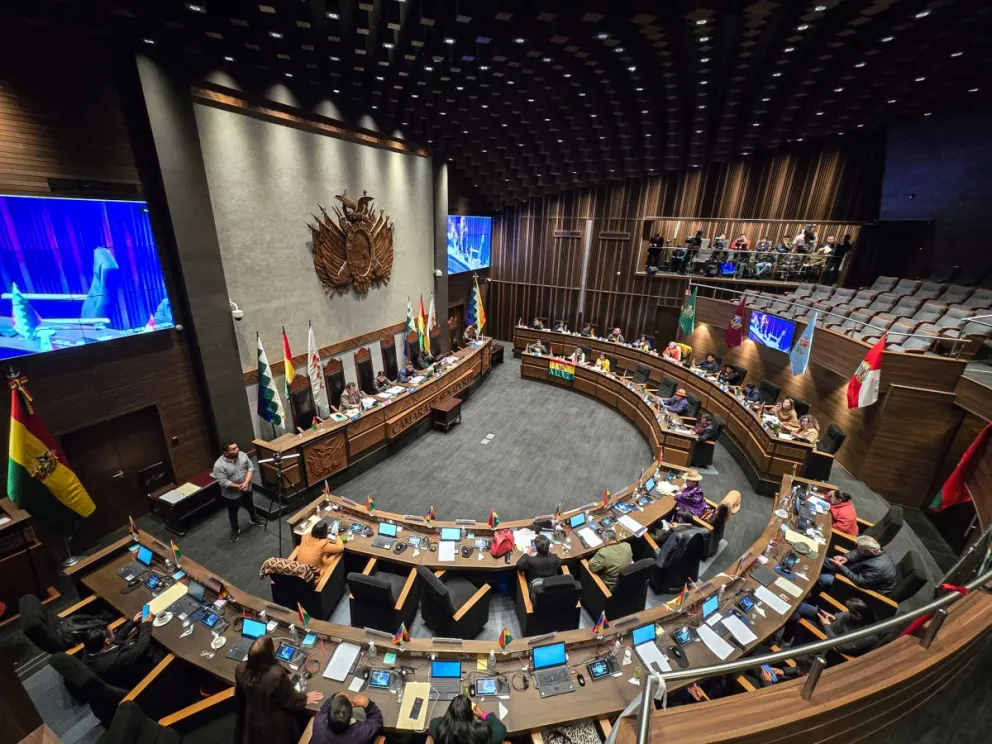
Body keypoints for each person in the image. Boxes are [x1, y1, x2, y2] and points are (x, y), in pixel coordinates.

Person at [235, 637, 323, 744]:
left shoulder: (240, 668)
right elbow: (290, 701)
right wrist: (304, 698)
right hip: (275, 726)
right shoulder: (276, 674)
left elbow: (241, 695)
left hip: (252, 720)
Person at [82, 610, 156, 688]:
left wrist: (132, 622)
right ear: (107, 641)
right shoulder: (113, 661)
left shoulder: (91, 645)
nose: (114, 632)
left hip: (123, 656)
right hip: (137, 672)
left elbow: (114, 640)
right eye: (112, 632)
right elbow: (142, 647)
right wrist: (146, 623)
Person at [213, 441, 265, 543]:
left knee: (250, 504)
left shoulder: (242, 455)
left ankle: (254, 518)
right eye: (233, 449)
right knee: (233, 511)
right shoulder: (218, 465)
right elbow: (223, 482)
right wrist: (239, 486)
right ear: (226, 453)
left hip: (247, 488)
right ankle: (235, 529)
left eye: (236, 447)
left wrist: (246, 483)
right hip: (232, 494)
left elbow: (251, 467)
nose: (237, 450)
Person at [819, 535, 896, 594]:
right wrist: (846, 558)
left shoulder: (877, 568)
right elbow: (857, 552)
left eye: (861, 551)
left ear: (871, 552)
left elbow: (860, 582)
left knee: (822, 578)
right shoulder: (875, 549)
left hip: (862, 590)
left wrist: (841, 567)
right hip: (855, 570)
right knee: (823, 560)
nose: (858, 551)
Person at [430, 694, 507, 744]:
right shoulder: (483, 734)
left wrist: (451, 715)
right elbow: (501, 728)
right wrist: (483, 715)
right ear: (470, 715)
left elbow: (435, 721)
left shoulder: (438, 729)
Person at [312, 692, 383, 744]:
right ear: (351, 716)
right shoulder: (358, 734)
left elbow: (324, 708)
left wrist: (335, 697)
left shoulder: (319, 722)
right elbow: (376, 720)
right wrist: (367, 703)